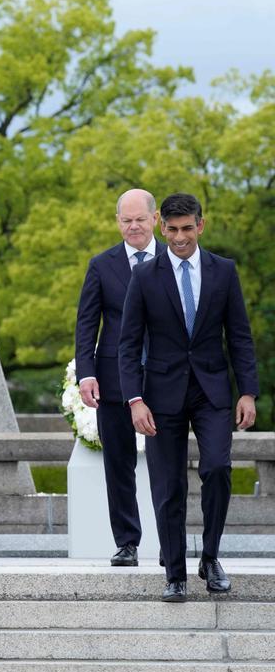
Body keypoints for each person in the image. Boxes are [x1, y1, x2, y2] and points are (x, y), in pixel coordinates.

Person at [119, 193, 258, 602]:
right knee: (168, 485)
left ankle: (210, 557)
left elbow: (240, 336)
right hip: (160, 396)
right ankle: (175, 573)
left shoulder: (223, 271)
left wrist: (247, 391)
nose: (180, 238)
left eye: (188, 228)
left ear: (201, 224)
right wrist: (134, 400)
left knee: (217, 468)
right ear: (162, 226)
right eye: (173, 229)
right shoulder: (145, 276)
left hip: (212, 390)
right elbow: (128, 344)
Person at [74, 189, 167, 566]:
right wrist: (86, 373)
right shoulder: (102, 264)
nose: (133, 227)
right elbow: (86, 324)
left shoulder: (173, 259)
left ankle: (169, 542)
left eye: (139, 220)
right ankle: (127, 541)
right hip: (112, 377)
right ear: (118, 223)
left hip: (163, 376)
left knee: (167, 464)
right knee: (118, 463)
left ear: (155, 218)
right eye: (125, 221)